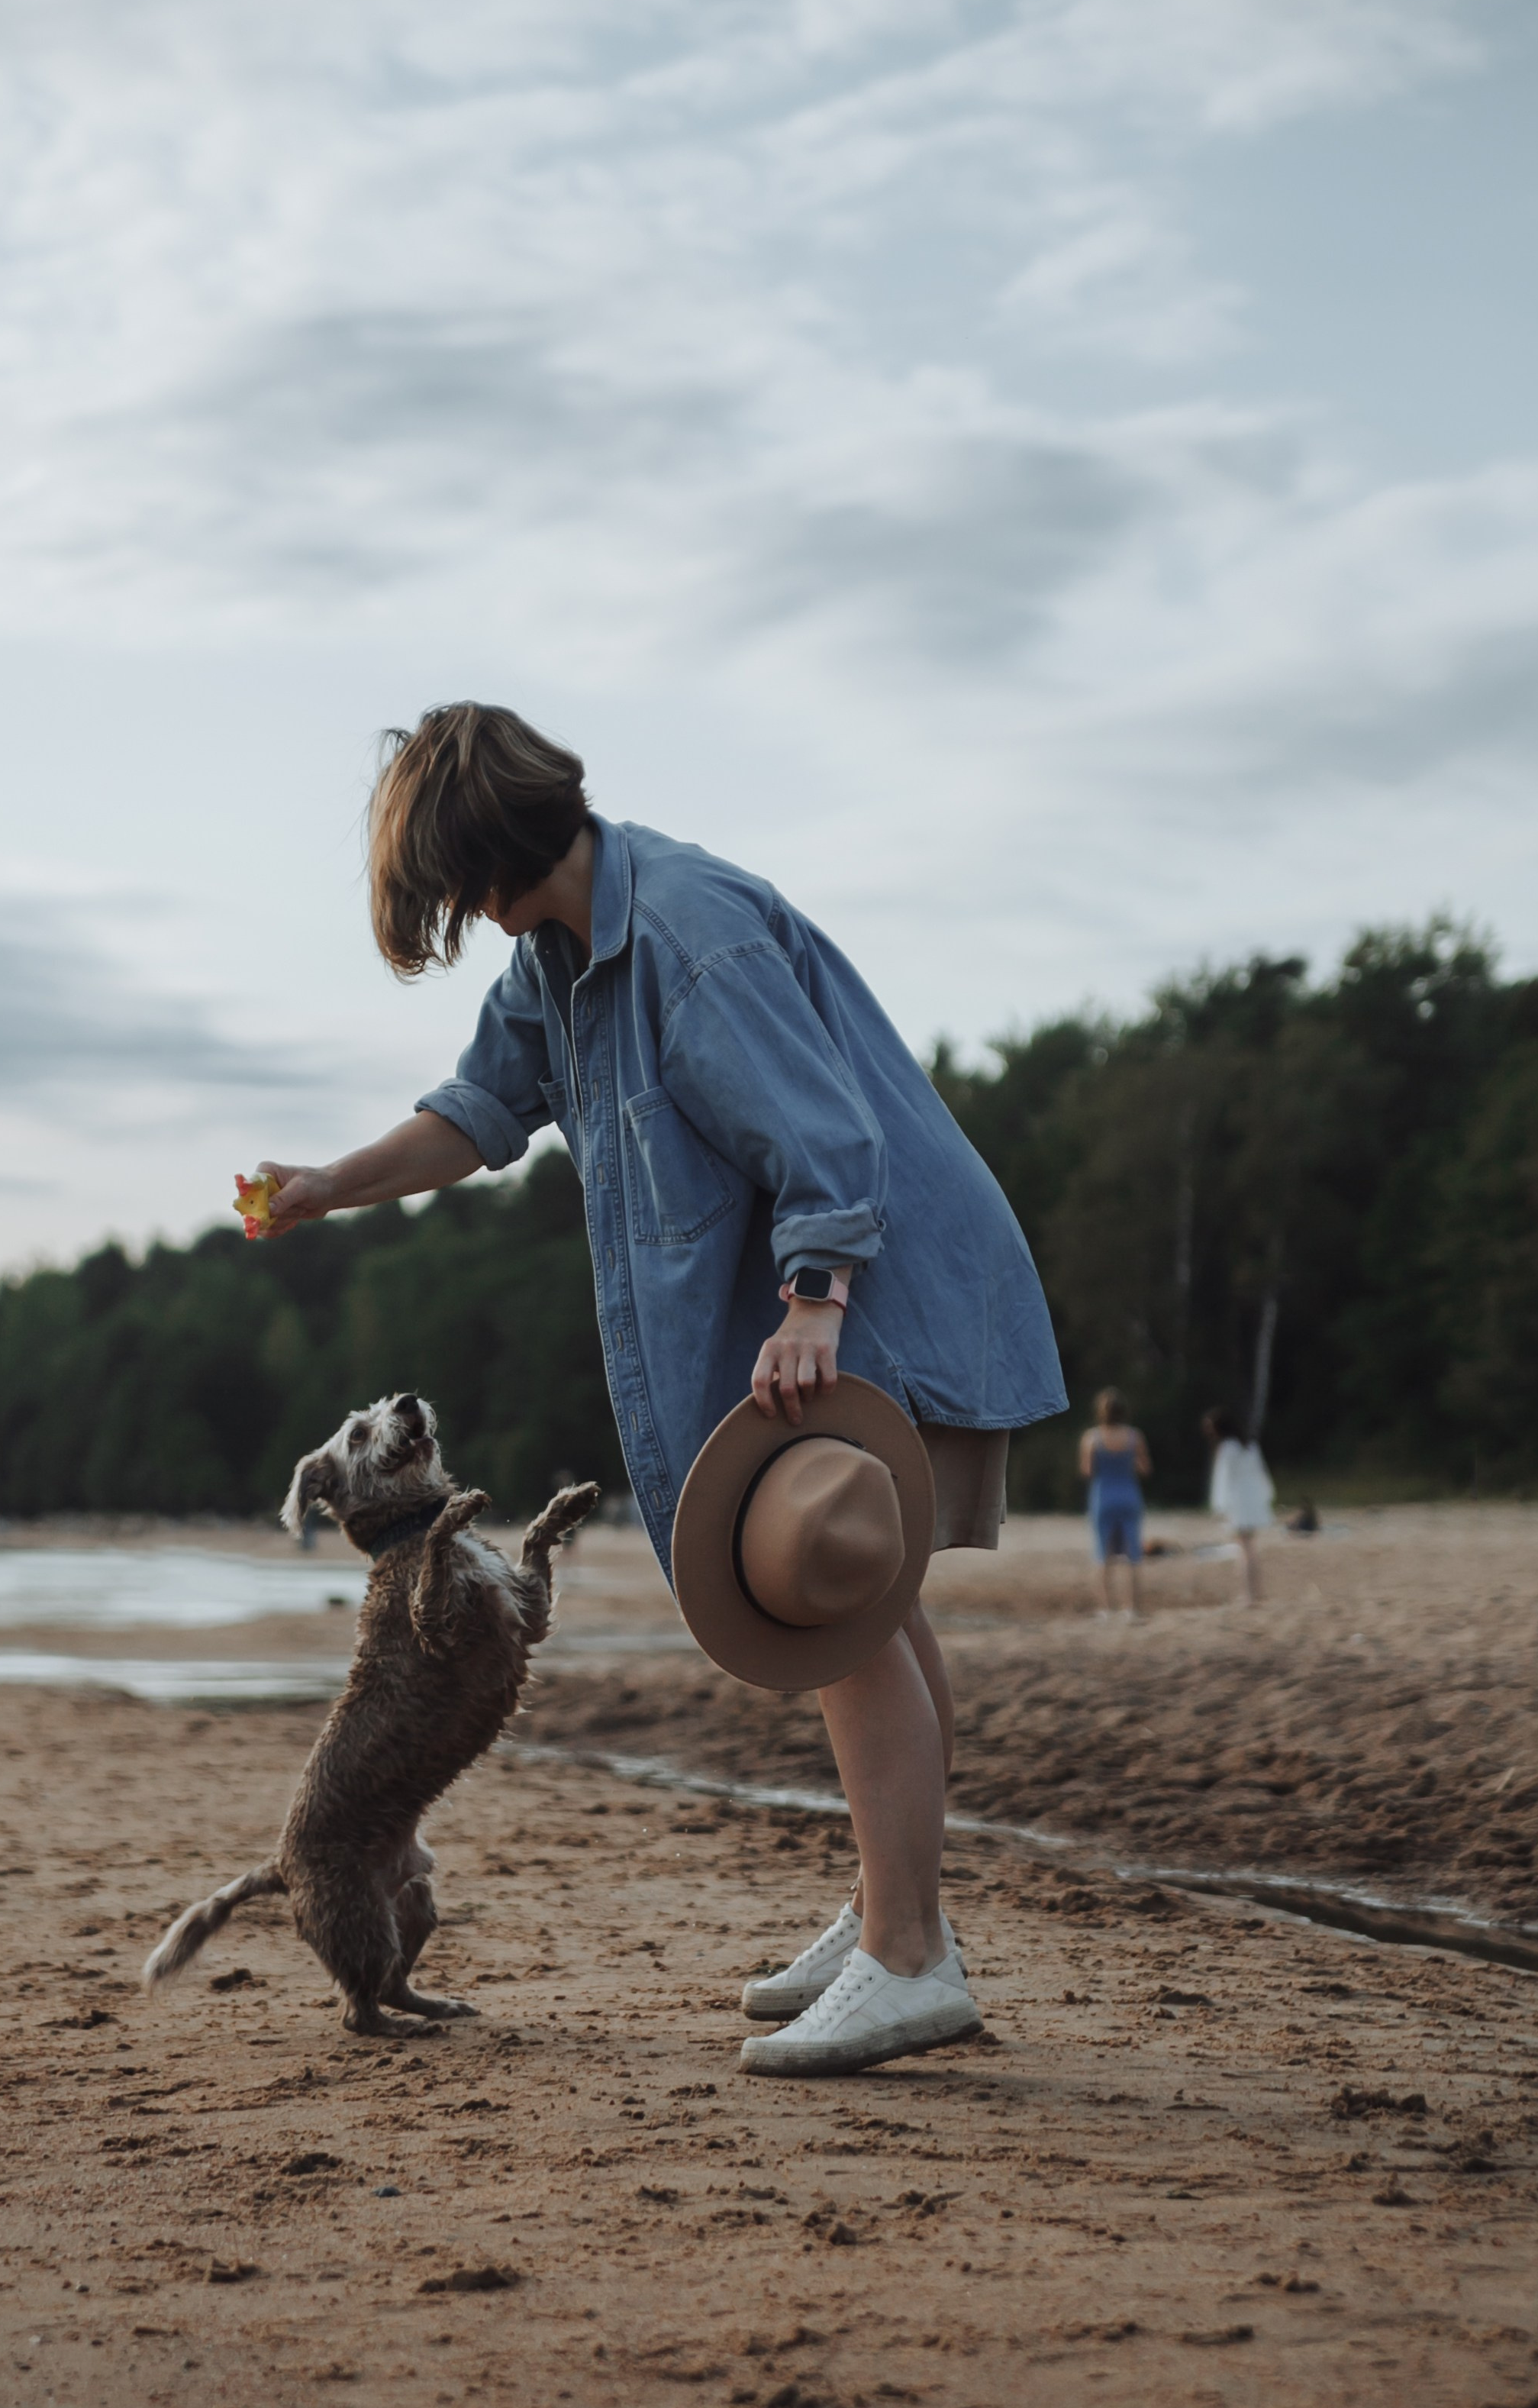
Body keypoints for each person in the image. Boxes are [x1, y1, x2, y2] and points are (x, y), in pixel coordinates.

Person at [249, 702, 1066, 2077]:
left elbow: (822, 1130)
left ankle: (910, 1955)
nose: (469, 920)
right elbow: (478, 1113)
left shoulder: (683, 930)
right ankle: (893, 1910)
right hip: (851, 1285)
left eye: (455, 892)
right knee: (871, 1598)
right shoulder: (562, 958)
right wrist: (333, 1186)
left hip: (882, 1279)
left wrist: (814, 1297)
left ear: (486, 852)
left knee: (831, 1587)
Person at [1079, 1386, 1149, 1617]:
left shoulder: (1092, 1438)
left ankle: (1107, 1609)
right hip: (1129, 1494)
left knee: (1102, 1554)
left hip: (1103, 1496)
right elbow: (1144, 1468)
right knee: (1133, 1555)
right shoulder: (1134, 1436)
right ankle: (1132, 1608)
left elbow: (1087, 1471)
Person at [1202, 1406, 1275, 1605]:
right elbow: (1261, 1473)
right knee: (1250, 1547)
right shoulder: (1250, 1445)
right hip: (1253, 1501)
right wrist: (1267, 1496)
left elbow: (1223, 1480)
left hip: (1239, 1503)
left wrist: (1219, 1507)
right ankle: (1257, 1592)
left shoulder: (1227, 1449)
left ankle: (1249, 1595)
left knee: (1244, 1549)